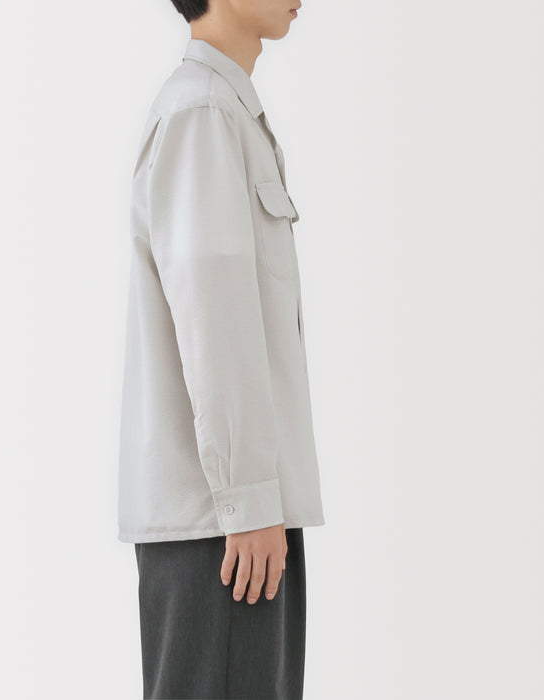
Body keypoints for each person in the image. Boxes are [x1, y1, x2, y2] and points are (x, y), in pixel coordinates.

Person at [117, 1, 324, 697]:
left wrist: (256, 502)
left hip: (236, 517)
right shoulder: (203, 112)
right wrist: (248, 500)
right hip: (223, 525)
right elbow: (215, 321)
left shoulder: (222, 110)